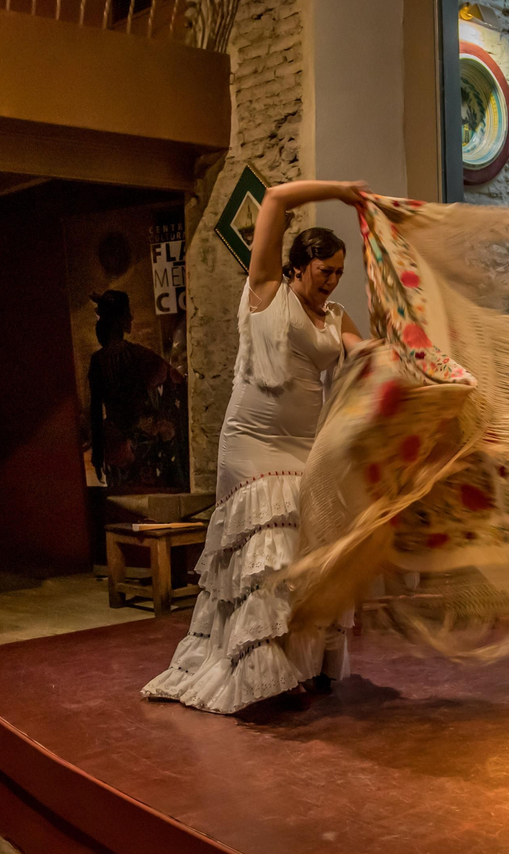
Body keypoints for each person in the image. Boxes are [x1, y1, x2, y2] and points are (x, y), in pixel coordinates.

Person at [143, 181, 367, 714]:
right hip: (252, 443)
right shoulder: (267, 290)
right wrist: (341, 191)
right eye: (323, 271)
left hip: (303, 445)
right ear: (297, 266)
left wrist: (413, 361)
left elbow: (368, 357)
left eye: (338, 272)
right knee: (266, 558)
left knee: (306, 556)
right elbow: (275, 200)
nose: (331, 282)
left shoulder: (335, 319)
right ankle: (259, 670)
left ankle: (306, 664)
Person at [86, 290, 185, 488]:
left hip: (126, 449)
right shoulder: (136, 355)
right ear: (121, 320)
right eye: (127, 313)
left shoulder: (100, 361)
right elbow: (174, 380)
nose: (131, 317)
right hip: (137, 448)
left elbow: (96, 411)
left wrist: (99, 454)